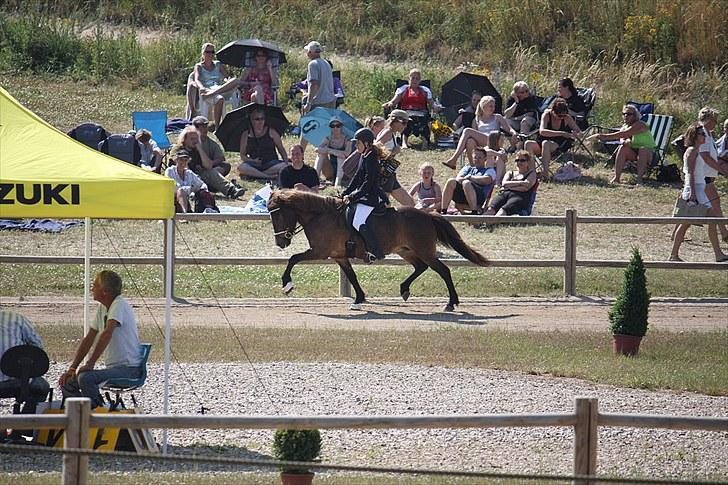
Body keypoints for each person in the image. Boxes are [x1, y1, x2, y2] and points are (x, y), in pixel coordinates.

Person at [60, 270, 143, 408]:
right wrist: (72, 368)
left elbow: (107, 333)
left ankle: (96, 415)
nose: (92, 289)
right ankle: (81, 415)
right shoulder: (102, 308)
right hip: (115, 368)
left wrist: (90, 363)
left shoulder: (119, 304)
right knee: (68, 382)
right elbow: (89, 339)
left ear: (104, 291)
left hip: (129, 369)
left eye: (95, 285)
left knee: (86, 378)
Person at [669, 124, 728, 262]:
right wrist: (693, 195)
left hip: (699, 189)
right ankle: (717, 254)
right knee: (698, 220)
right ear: (695, 136)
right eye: (702, 134)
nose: (704, 136)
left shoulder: (697, 150)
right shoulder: (691, 151)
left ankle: (674, 255)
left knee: (687, 223)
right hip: (694, 190)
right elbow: (690, 173)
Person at [342, 128, 389, 263]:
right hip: (364, 194)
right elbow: (357, 178)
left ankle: (376, 251)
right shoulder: (364, 156)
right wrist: (346, 192)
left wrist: (353, 196)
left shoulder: (371, 158)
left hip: (371, 196)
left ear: (367, 144)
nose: (356, 145)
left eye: (358, 143)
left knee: (358, 222)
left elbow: (368, 183)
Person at [587, 104, 655, 185]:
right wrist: (623, 141)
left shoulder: (641, 124)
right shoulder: (624, 126)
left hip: (650, 154)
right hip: (634, 153)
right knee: (623, 148)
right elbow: (622, 137)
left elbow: (623, 134)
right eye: (624, 114)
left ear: (635, 116)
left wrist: (600, 136)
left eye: (629, 114)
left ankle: (639, 180)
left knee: (642, 149)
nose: (626, 116)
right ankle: (617, 178)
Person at [443, 95, 517, 169]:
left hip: (494, 141)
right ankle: (473, 166)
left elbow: (509, 129)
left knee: (467, 131)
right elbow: (475, 135)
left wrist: (514, 133)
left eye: (493, 106)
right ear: (483, 106)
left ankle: (454, 159)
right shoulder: (477, 119)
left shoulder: (497, 117)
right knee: (470, 141)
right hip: (482, 143)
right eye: (490, 106)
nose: (493, 108)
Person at [171, 127, 244, 198]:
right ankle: (216, 187)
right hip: (181, 178)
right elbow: (180, 165)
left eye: (196, 139)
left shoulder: (196, 150)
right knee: (206, 175)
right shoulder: (177, 149)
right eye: (192, 139)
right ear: (185, 139)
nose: (195, 141)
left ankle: (231, 190)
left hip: (196, 177)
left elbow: (208, 166)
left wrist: (200, 149)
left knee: (211, 172)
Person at [0, 310, 50, 414]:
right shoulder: (17, 318)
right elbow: (38, 347)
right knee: (42, 388)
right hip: (20, 380)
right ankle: (24, 424)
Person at [524, 97, 583, 180]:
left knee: (546, 143)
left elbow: (580, 133)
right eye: (559, 115)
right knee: (528, 144)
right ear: (552, 111)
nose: (561, 117)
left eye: (564, 115)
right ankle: (532, 173)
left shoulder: (567, 118)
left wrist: (576, 134)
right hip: (542, 141)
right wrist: (562, 133)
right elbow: (542, 131)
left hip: (558, 144)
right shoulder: (547, 115)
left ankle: (545, 174)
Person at [382, 68, 438, 148]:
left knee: (423, 120)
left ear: (420, 81)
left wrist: (436, 107)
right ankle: (404, 142)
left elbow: (431, 103)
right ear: (409, 79)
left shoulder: (425, 90)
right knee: (406, 119)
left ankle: (425, 141)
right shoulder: (403, 89)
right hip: (406, 111)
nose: (415, 80)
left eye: (417, 79)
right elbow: (394, 101)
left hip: (421, 112)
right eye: (413, 78)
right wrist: (389, 104)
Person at [696, 108, 728, 244]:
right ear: (709, 120)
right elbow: (705, 156)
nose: (716, 124)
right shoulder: (702, 133)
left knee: (714, 206)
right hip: (704, 176)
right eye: (715, 120)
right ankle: (724, 234)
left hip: (708, 176)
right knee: (715, 206)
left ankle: (724, 233)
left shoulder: (708, 133)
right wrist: (722, 170)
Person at [189, 43, 235, 129]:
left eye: (212, 52)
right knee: (220, 99)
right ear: (203, 53)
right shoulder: (199, 66)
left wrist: (227, 80)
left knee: (235, 81)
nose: (210, 54)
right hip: (208, 89)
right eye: (207, 52)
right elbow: (197, 79)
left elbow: (227, 76)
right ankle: (218, 127)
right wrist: (202, 87)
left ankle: (212, 94)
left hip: (218, 88)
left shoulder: (218, 64)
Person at [237, 107, 288, 180]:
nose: (260, 121)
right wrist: (252, 161)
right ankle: (267, 176)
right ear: (251, 120)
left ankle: (254, 174)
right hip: (255, 163)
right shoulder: (245, 134)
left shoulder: (271, 131)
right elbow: (242, 155)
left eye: (262, 118)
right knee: (241, 168)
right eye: (257, 119)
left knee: (285, 166)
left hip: (271, 163)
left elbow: (281, 149)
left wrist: (285, 161)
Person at [440, 147, 495, 214]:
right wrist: (469, 179)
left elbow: (487, 180)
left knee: (466, 183)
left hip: (479, 196)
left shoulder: (490, 170)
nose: (477, 159)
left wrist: (471, 178)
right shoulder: (467, 168)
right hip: (463, 195)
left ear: (485, 159)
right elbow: (458, 179)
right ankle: (444, 210)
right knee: (451, 181)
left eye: (479, 158)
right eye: (475, 157)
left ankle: (474, 212)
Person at [485, 151, 538, 216]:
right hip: (504, 194)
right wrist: (521, 183)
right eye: (517, 160)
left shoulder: (532, 174)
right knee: (491, 209)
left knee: (503, 211)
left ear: (528, 162)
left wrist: (510, 186)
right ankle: (479, 223)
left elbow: (526, 187)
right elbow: (504, 183)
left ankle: (488, 225)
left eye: (522, 160)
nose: (519, 162)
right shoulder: (510, 173)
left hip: (519, 197)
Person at [314, 116, 352, 183]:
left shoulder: (347, 139)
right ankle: (314, 178)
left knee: (340, 157)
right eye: (332, 126)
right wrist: (329, 151)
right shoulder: (329, 138)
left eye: (338, 125)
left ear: (341, 127)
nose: (335, 128)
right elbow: (317, 149)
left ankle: (338, 182)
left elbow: (347, 153)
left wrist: (331, 151)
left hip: (344, 171)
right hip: (330, 170)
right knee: (321, 154)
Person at [302, 41, 336, 114]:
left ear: (310, 52)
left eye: (307, 51)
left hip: (319, 102)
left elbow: (314, 84)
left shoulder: (312, 64)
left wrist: (308, 103)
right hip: (330, 100)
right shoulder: (326, 63)